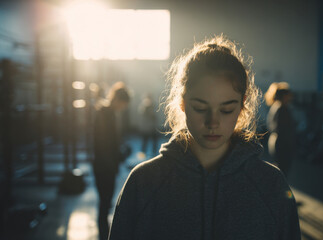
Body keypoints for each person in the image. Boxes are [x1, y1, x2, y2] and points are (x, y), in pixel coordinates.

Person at [109, 36, 301, 240]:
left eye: (227, 109)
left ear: (242, 105)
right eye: (200, 108)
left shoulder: (270, 185)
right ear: (182, 103)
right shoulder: (144, 184)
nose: (213, 122)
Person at [93, 81, 130, 240]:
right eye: (123, 104)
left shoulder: (106, 113)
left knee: (105, 202)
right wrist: (119, 155)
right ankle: (103, 235)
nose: (123, 108)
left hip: (105, 165)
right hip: (105, 167)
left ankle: (104, 234)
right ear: (118, 100)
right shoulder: (106, 114)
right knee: (105, 202)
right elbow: (104, 144)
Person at [265, 82, 297, 177]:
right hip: (282, 144)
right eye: (288, 95)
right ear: (284, 96)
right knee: (282, 172)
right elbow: (284, 129)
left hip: (276, 142)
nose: (290, 97)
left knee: (279, 171)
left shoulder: (276, 107)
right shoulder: (282, 108)